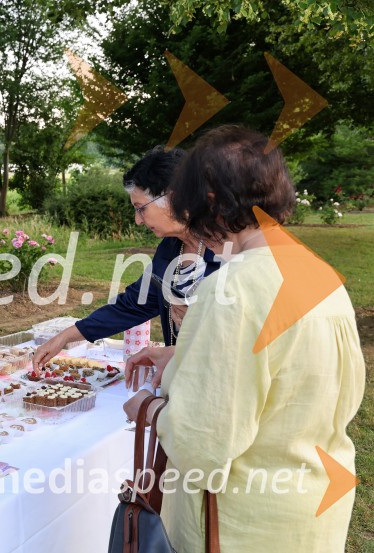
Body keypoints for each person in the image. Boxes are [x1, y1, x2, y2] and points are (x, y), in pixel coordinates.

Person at [123, 126, 365, 551]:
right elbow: (294, 372)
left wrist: (148, 409)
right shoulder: (318, 272)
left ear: (210, 199)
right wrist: (185, 357)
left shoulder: (232, 286)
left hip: (240, 524)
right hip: (312, 510)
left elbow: (201, 444)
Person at [33, 146, 220, 369]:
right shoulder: (170, 248)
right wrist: (64, 337)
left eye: (141, 209)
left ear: (173, 199)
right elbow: (133, 305)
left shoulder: (232, 250)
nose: (137, 220)